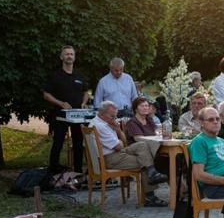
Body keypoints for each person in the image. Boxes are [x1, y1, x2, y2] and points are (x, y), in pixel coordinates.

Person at [90, 101, 168, 206]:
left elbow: (124, 142)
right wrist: (119, 142)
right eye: (112, 116)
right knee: (145, 161)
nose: (114, 119)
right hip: (110, 158)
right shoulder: (100, 126)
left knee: (142, 145)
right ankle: (150, 197)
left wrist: (118, 129)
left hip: (117, 152)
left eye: (115, 116)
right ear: (102, 114)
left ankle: (152, 172)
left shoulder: (103, 122)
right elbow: (119, 146)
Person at [43, 45, 89, 173]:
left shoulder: (79, 75)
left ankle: (77, 172)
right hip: (60, 115)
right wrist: (60, 103)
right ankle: (53, 170)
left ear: (74, 57)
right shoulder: (55, 76)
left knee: (78, 143)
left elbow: (86, 92)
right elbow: (46, 94)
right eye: (67, 54)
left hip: (77, 116)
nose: (69, 56)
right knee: (58, 143)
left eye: (71, 54)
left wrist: (84, 102)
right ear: (61, 57)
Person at [189, 106, 224, 200]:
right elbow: (198, 174)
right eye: (211, 120)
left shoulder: (222, 141)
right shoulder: (199, 141)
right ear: (201, 123)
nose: (215, 122)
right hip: (215, 187)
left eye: (217, 119)